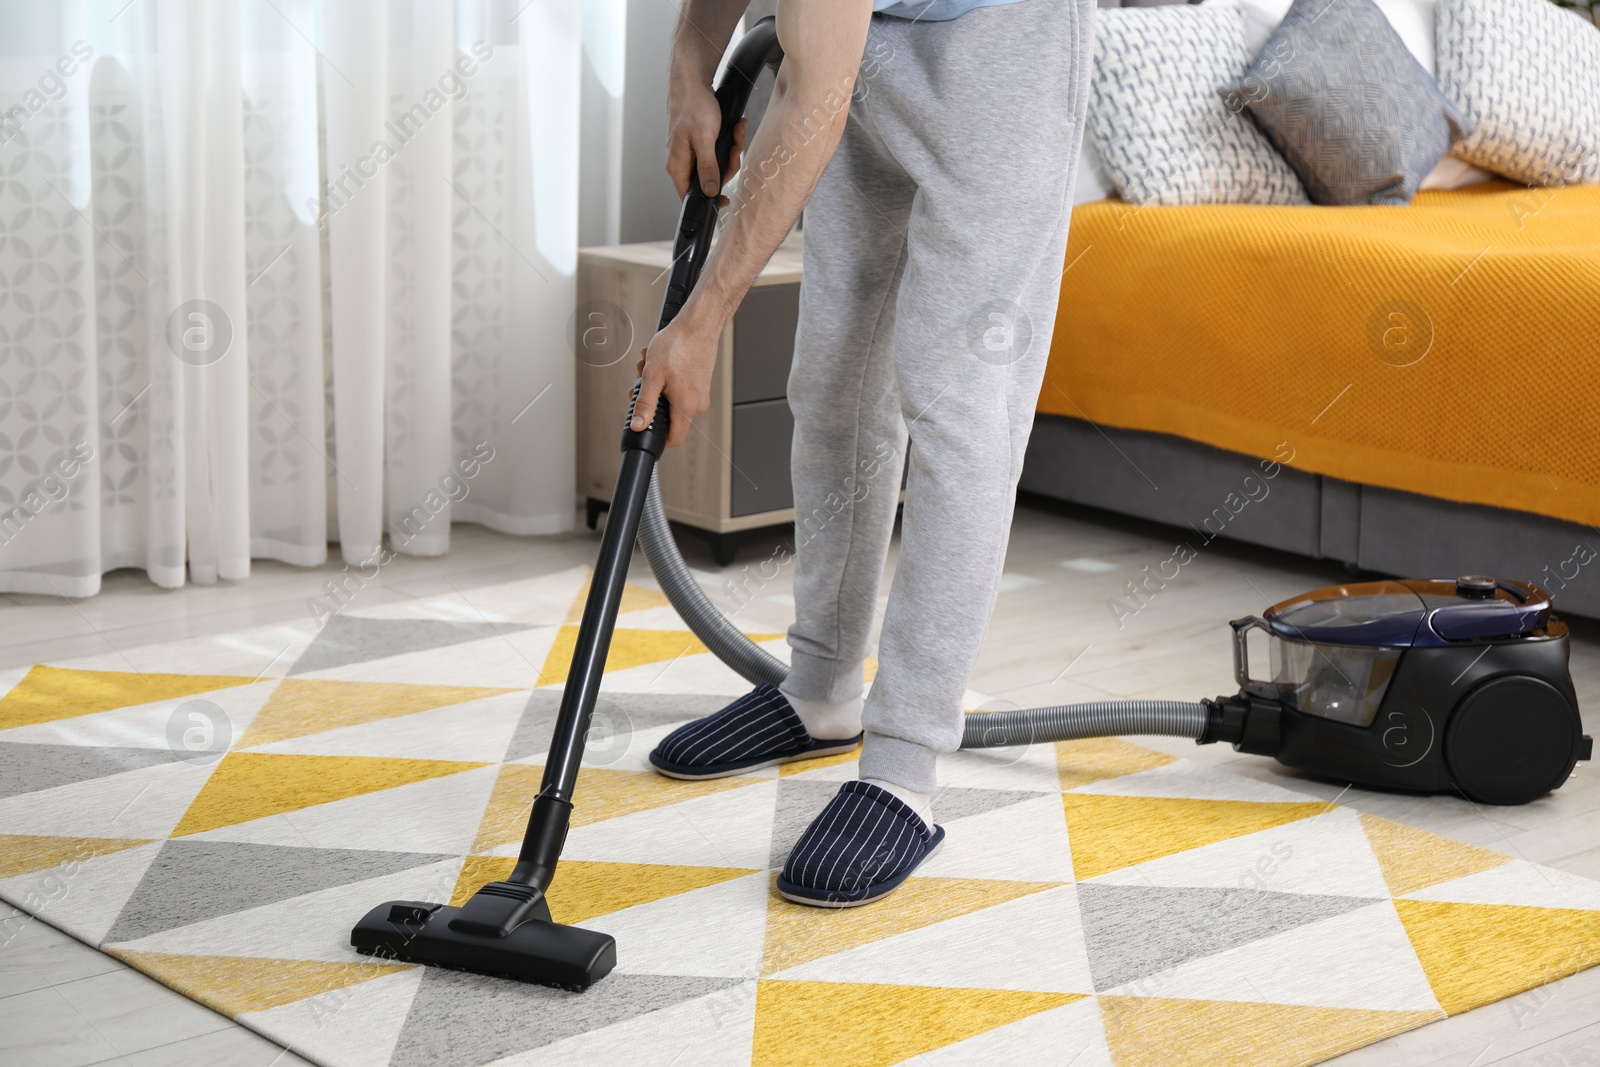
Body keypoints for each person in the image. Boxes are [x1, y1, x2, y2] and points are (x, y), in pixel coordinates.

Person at [637, 0, 1094, 907]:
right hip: (869, 38)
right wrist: (689, 68)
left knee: (956, 398)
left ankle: (902, 768)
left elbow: (814, 92)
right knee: (835, 375)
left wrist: (699, 323)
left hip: (1005, 44)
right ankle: (821, 690)